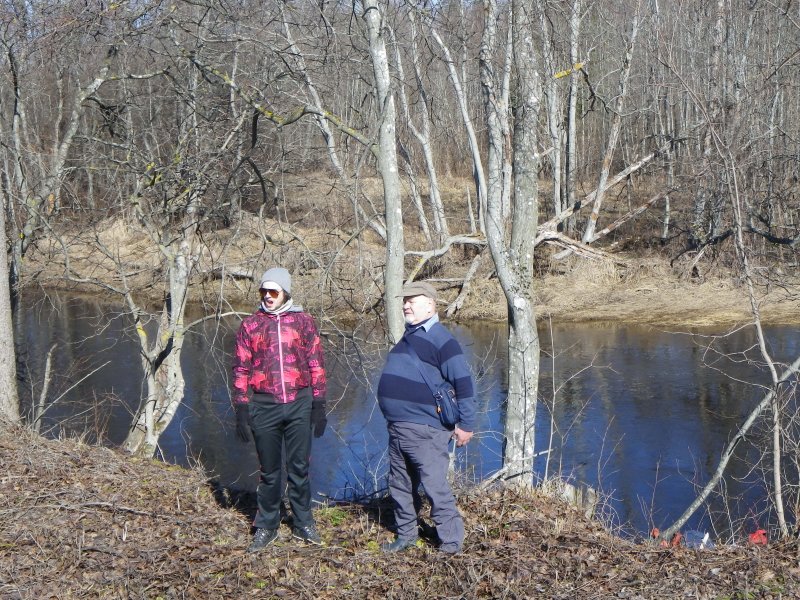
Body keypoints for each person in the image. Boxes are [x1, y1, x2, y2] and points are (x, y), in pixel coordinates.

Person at [231, 267, 327, 552]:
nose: (268, 296)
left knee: (299, 468)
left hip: (299, 404)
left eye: (273, 291)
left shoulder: (304, 322)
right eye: (264, 291)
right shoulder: (250, 325)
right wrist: (241, 407)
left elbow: (316, 363)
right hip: (264, 406)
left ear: (285, 292)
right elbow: (240, 367)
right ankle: (267, 525)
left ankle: (303, 522)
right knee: (269, 471)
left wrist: (319, 403)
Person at [377, 280, 476, 554]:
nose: (405, 305)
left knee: (435, 486)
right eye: (404, 301)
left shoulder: (442, 339)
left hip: (426, 430)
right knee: (400, 485)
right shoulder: (409, 336)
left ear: (430, 305)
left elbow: (464, 384)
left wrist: (466, 424)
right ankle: (407, 535)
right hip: (398, 428)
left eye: (412, 300)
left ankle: (451, 543)